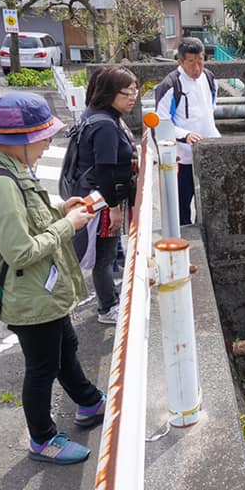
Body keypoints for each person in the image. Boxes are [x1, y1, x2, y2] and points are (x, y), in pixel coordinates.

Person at [0, 92, 105, 465]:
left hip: (41, 290)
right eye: (45, 138)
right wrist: (69, 225)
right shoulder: (0, 184)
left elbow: (30, 218)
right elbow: (19, 252)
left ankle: (89, 402)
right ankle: (42, 438)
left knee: (65, 348)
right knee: (42, 367)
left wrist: (64, 207)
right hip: (28, 295)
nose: (49, 145)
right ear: (25, 140)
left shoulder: (14, 170)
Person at [76, 66, 139, 324]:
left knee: (108, 254)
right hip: (103, 201)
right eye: (128, 93)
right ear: (112, 92)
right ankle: (107, 307)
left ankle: (109, 298)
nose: (133, 98)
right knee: (104, 257)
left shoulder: (99, 114)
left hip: (100, 197)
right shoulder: (105, 126)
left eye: (136, 92)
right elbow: (105, 172)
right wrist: (113, 208)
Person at [155, 37, 220, 226]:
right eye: (191, 62)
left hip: (210, 148)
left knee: (209, 199)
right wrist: (185, 135)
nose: (197, 67)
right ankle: (185, 236)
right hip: (184, 156)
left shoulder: (209, 77)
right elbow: (161, 123)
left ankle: (206, 232)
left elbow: (211, 108)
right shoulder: (170, 85)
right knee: (183, 202)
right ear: (180, 62)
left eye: (200, 60)